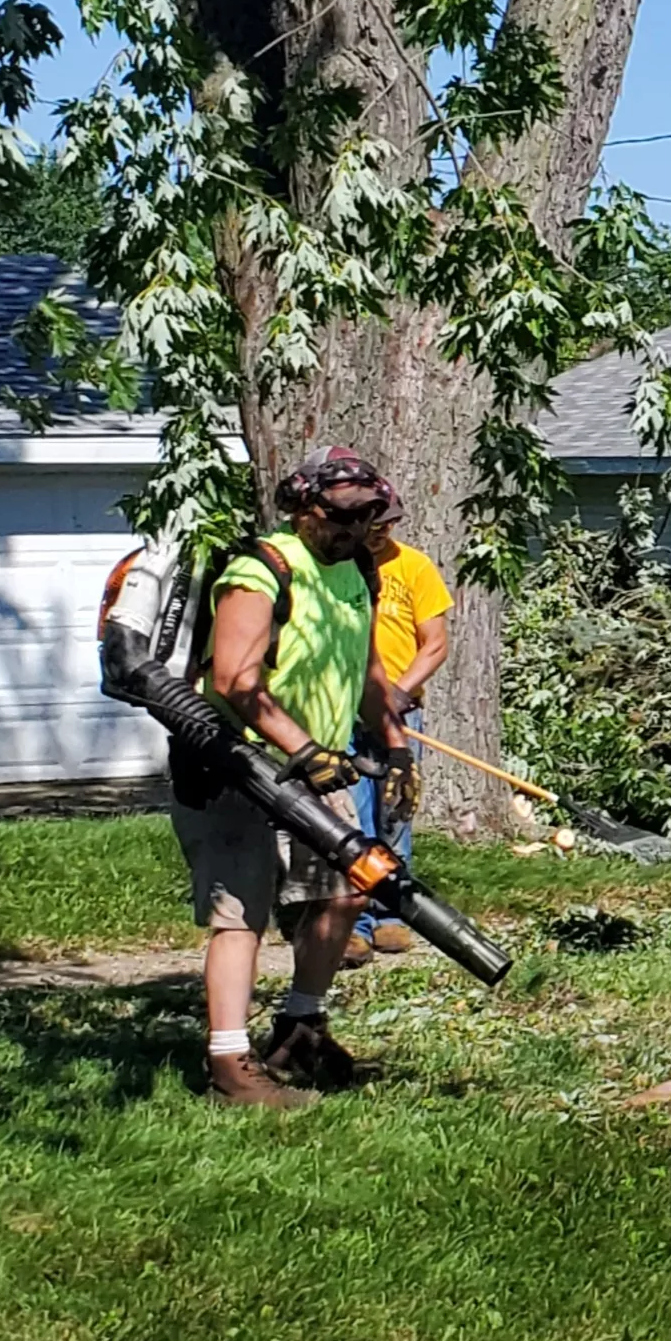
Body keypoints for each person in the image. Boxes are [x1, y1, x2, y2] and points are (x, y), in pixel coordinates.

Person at [169, 447, 399, 1106]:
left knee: (347, 891)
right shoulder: (261, 568)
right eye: (344, 518)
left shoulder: (356, 569)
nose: (356, 531)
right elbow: (235, 677)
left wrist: (395, 746)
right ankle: (229, 1063)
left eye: (369, 518)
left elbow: (370, 671)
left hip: (316, 768)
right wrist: (302, 747)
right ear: (304, 510)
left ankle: (300, 1029)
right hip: (235, 765)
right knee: (240, 912)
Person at [351, 517, 454, 956]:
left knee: (394, 813)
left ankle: (392, 912)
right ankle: (354, 922)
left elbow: (435, 644)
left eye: (386, 524)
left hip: (400, 712)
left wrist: (397, 693)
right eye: (370, 524)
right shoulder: (338, 566)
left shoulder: (414, 567)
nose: (378, 532)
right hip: (345, 712)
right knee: (352, 820)